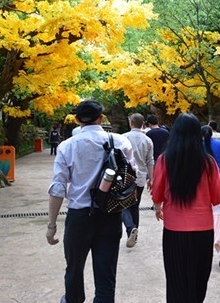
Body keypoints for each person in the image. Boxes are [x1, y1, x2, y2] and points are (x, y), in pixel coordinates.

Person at [151, 113, 220, 303]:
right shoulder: (208, 163)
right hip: (203, 232)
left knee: (176, 281)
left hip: (174, 232)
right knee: (198, 280)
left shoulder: (165, 160)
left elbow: (157, 193)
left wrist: (157, 208)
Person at [46, 100, 134, 303]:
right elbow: (132, 173)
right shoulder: (120, 142)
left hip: (79, 217)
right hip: (110, 214)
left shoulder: (66, 146)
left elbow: (58, 188)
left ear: (77, 120)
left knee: (74, 268)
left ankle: (73, 299)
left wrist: (51, 226)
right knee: (106, 273)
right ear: (101, 119)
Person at [121, 113, 154, 248]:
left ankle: (130, 229)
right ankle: (135, 233)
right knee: (135, 204)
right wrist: (151, 178)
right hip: (140, 177)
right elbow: (150, 161)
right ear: (143, 124)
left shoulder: (123, 138)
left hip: (125, 176)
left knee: (122, 204)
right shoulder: (147, 140)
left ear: (131, 123)